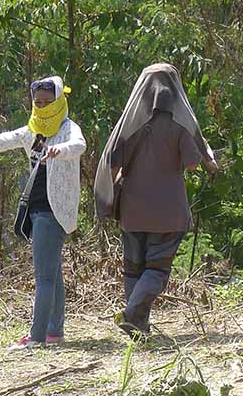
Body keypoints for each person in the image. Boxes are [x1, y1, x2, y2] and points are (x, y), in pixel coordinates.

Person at [94, 63, 220, 339]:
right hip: (168, 211)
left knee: (133, 269)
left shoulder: (128, 127)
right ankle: (131, 316)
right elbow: (192, 165)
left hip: (132, 210)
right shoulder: (179, 124)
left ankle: (138, 327)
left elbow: (113, 164)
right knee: (157, 270)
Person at [0, 76, 86, 349]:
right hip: (35, 207)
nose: (42, 107)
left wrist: (59, 150)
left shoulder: (68, 129)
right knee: (53, 274)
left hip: (53, 209)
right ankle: (54, 331)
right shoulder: (33, 129)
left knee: (43, 276)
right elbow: (7, 139)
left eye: (48, 102)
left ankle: (37, 336)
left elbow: (79, 146)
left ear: (59, 101)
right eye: (38, 102)